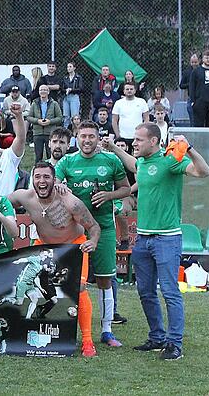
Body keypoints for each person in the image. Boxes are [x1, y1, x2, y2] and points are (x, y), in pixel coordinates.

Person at [106, 124, 209, 360]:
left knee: (170, 292)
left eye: (139, 140)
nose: (135, 143)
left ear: (154, 141)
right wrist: (113, 147)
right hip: (143, 238)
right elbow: (133, 163)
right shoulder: (142, 162)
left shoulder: (171, 160)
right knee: (145, 291)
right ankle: (157, 337)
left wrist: (190, 149)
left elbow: (203, 172)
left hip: (167, 238)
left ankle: (175, 344)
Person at [8, 161, 100, 357]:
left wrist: (93, 242)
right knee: (26, 284)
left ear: (55, 180)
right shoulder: (24, 196)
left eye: (46, 177)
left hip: (73, 246)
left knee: (79, 289)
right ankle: (28, 329)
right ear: (32, 179)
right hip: (44, 246)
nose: (42, 181)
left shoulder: (70, 201)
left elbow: (94, 227)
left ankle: (87, 341)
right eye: (38, 177)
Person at [55, 120, 131, 349]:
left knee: (104, 280)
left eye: (91, 136)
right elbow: (54, 182)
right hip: (76, 230)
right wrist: (62, 187)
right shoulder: (67, 161)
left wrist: (109, 195)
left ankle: (107, 330)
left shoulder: (110, 160)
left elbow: (126, 189)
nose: (87, 140)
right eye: (83, 136)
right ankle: (66, 328)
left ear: (98, 138)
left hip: (105, 227)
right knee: (71, 282)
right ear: (77, 138)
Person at [27, 84, 64, 163]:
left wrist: (50, 121)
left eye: (45, 90)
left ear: (48, 92)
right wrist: (37, 121)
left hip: (50, 133)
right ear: (39, 92)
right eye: (41, 90)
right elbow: (29, 117)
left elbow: (60, 118)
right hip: (37, 132)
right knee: (38, 156)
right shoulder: (34, 103)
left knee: (50, 155)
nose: (43, 91)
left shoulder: (54, 104)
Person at [112, 82, 150, 147]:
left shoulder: (142, 102)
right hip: (123, 138)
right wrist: (118, 135)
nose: (129, 91)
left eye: (131, 89)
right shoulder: (118, 103)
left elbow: (146, 119)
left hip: (138, 137)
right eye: (127, 89)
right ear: (123, 91)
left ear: (135, 90)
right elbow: (114, 121)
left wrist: (143, 134)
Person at [189, 50, 209, 127]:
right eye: (206, 58)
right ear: (202, 59)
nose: (208, 60)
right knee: (199, 126)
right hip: (200, 103)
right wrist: (193, 102)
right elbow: (192, 87)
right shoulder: (196, 71)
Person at [61, 62, 84, 127]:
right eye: (68, 67)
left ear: (74, 68)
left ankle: (76, 130)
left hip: (74, 96)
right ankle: (66, 130)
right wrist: (65, 90)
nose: (68, 68)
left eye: (70, 67)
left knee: (75, 116)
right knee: (66, 116)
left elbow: (81, 88)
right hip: (66, 97)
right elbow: (61, 88)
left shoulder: (78, 77)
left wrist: (71, 90)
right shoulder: (65, 78)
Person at [180, 53, 199, 125]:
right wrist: (190, 84)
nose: (194, 64)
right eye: (192, 62)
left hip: (200, 98)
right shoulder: (187, 72)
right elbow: (181, 85)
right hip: (191, 98)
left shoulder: (201, 71)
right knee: (192, 120)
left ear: (199, 61)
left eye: (195, 62)